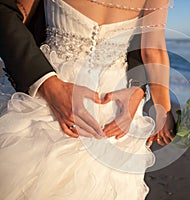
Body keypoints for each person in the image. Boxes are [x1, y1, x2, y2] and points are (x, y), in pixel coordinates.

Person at [0, 0, 174, 199]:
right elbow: (153, 50)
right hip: (93, 101)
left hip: (102, 102)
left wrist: (137, 90)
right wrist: (163, 111)